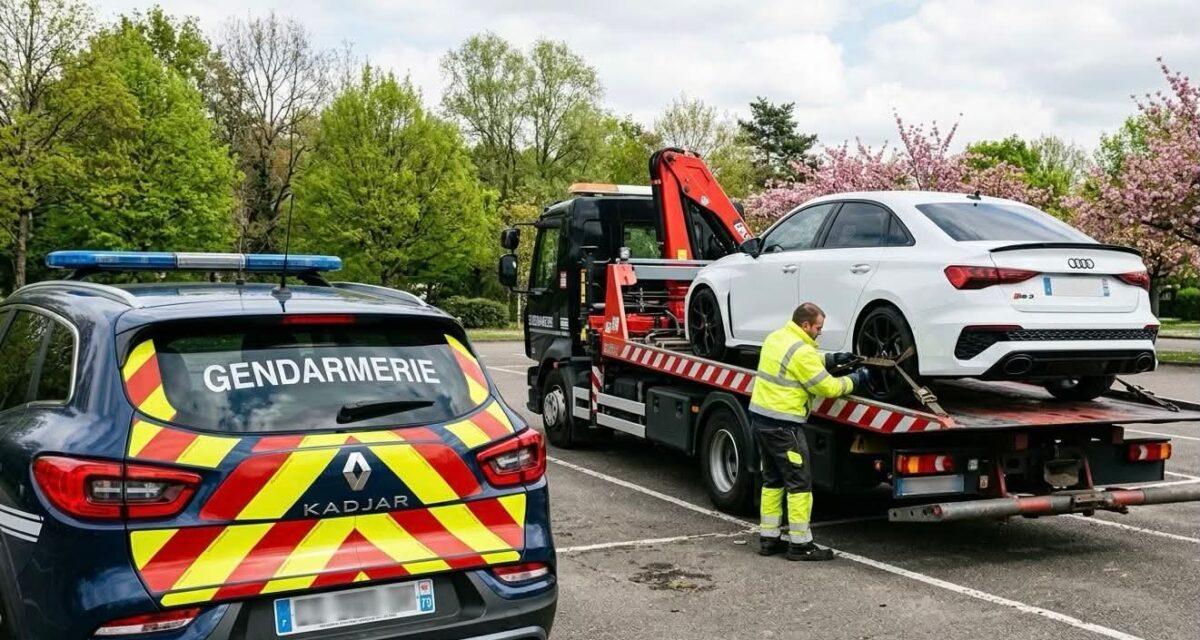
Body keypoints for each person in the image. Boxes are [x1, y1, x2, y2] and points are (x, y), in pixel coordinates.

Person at [749, 302, 867, 561]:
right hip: (785, 427)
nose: (819, 332)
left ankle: (769, 538)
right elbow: (828, 388)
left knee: (772, 480)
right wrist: (855, 380)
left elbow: (800, 360)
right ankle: (800, 545)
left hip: (761, 421)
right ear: (805, 325)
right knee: (799, 484)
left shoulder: (776, 338)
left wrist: (832, 359)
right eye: (818, 328)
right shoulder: (802, 352)